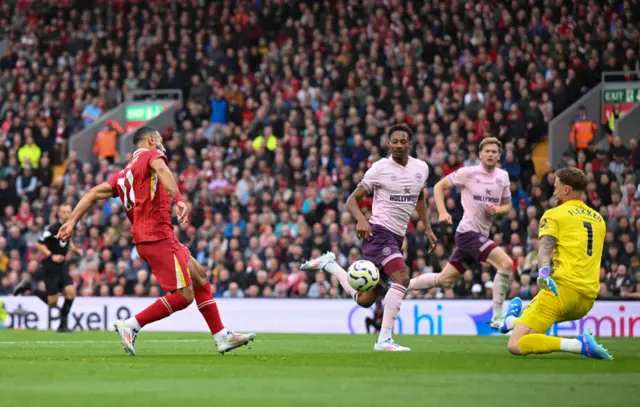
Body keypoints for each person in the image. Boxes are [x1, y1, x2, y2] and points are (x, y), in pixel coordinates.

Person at [56, 126, 255, 355]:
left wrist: (72, 222)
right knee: (184, 295)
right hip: (157, 236)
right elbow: (162, 168)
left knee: (199, 275)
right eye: (160, 139)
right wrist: (178, 199)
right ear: (150, 140)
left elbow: (91, 193)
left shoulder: (123, 175)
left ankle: (221, 336)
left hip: (151, 237)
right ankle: (131, 325)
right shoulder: (151, 156)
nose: (162, 144)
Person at [301, 124, 437, 351]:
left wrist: (427, 227)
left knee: (365, 301)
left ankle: (331, 266)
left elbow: (420, 197)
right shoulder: (379, 168)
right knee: (401, 279)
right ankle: (384, 339)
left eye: (403, 141)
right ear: (388, 144)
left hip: (396, 236)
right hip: (379, 233)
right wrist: (362, 219)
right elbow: (351, 199)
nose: (398, 145)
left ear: (410, 144)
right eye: (394, 141)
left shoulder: (421, 168)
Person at [499, 167, 612, 359]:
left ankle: (578, 344)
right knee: (532, 321)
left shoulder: (555, 214)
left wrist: (543, 271)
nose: (553, 191)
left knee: (516, 344)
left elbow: (545, 248)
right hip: (587, 299)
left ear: (567, 190)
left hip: (561, 292)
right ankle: (510, 321)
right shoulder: (599, 219)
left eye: (556, 186)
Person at [407, 137, 515, 328]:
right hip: (468, 233)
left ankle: (402, 285)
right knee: (506, 264)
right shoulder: (468, 173)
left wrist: (498, 210)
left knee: (445, 280)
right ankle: (498, 317)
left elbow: (507, 206)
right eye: (487, 151)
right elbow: (439, 186)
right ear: (480, 154)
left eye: (494, 152)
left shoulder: (503, 177)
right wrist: (442, 211)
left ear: (499, 156)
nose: (490, 154)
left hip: (480, 234)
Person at [13, 204, 82, 333]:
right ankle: (29, 288)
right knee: (52, 302)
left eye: (69, 211)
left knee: (71, 293)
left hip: (62, 267)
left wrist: (75, 249)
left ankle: (63, 325)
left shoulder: (70, 226)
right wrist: (52, 255)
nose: (67, 214)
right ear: (59, 214)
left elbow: (66, 241)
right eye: (64, 212)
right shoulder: (52, 228)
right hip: (50, 267)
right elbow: (39, 244)